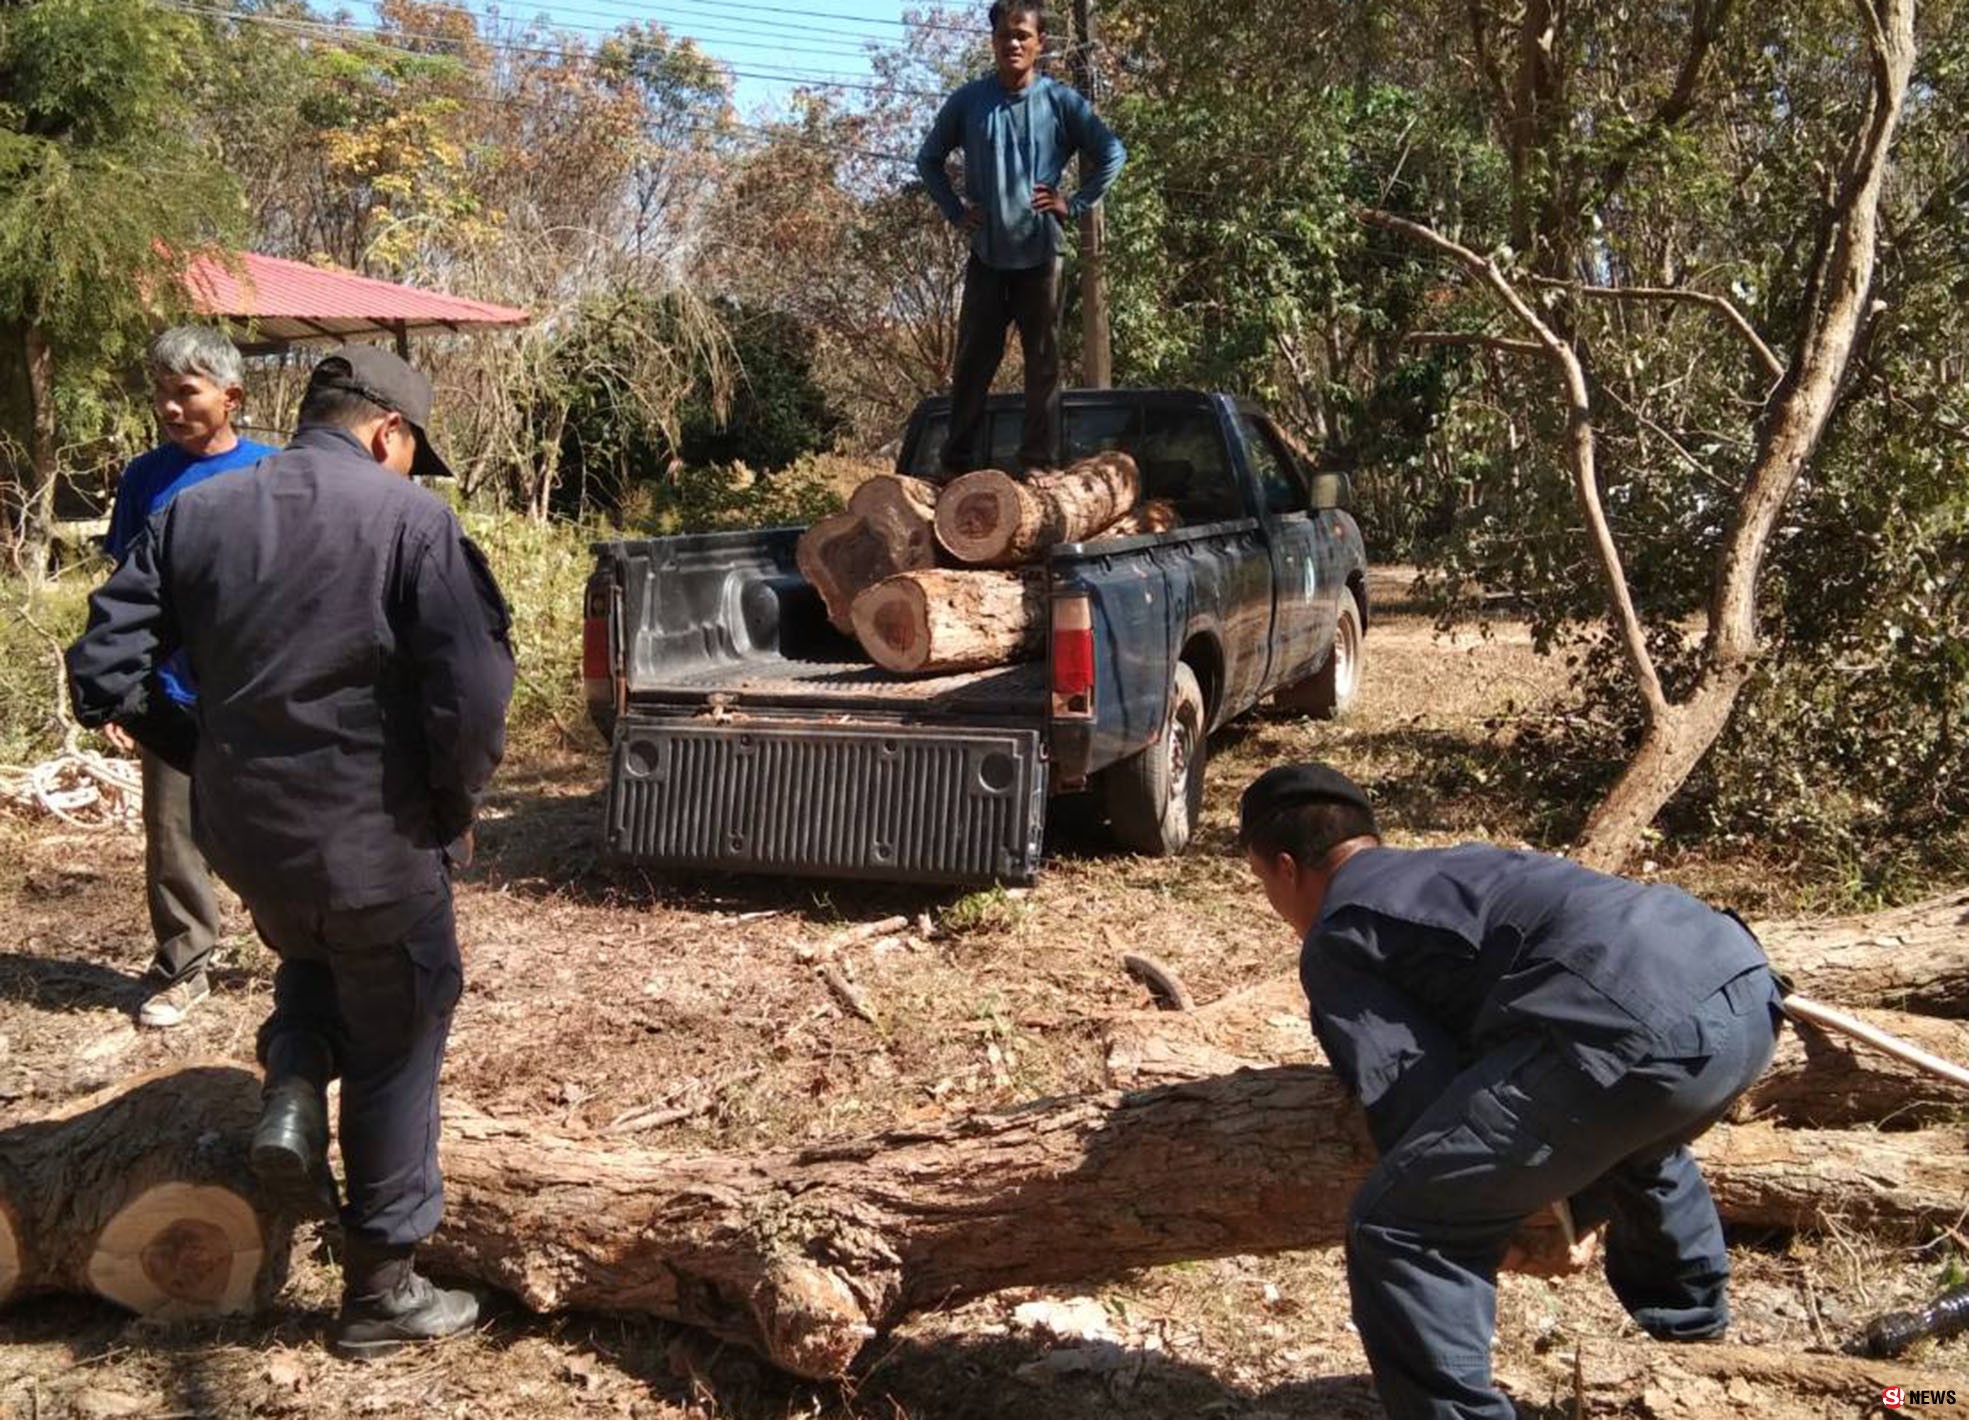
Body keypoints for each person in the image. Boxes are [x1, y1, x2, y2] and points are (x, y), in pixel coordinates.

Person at [66, 346, 515, 1359]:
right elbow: (475, 699)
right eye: (410, 453)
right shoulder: (412, 521)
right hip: (374, 838)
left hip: (250, 840)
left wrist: (203, 750)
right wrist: (450, 802)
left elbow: (100, 666)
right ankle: (382, 1292)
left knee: (315, 950)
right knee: (403, 1029)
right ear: (388, 433)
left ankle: (294, 1083)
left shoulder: (195, 513)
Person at [1238, 763, 1785, 1420]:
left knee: (1403, 1229)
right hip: (1741, 987)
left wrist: (1499, 1224)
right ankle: (1693, 1343)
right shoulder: (1459, 866)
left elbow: (1410, 1092)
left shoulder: (1339, 930)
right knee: (1633, 1135)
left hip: (1628, 1026)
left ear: (1287, 869)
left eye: (1262, 883)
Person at [104, 326, 277, 1029]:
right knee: (172, 833)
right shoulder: (145, 477)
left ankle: (303, 949)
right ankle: (185, 964)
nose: (170, 407)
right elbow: (122, 588)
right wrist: (122, 684)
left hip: (257, 690)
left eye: (187, 392)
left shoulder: (273, 472)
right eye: (161, 393)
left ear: (231, 396)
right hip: (171, 694)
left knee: (275, 825)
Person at [916, 0, 1125, 477]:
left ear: (1039, 44)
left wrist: (1073, 203)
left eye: (1022, 36)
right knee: (972, 365)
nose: (1013, 43)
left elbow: (1112, 152)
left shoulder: (1060, 101)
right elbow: (927, 160)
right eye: (1004, 35)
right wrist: (954, 209)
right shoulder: (968, 101)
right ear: (993, 42)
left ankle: (1038, 463)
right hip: (987, 255)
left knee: (1043, 364)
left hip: (1041, 256)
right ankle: (956, 464)